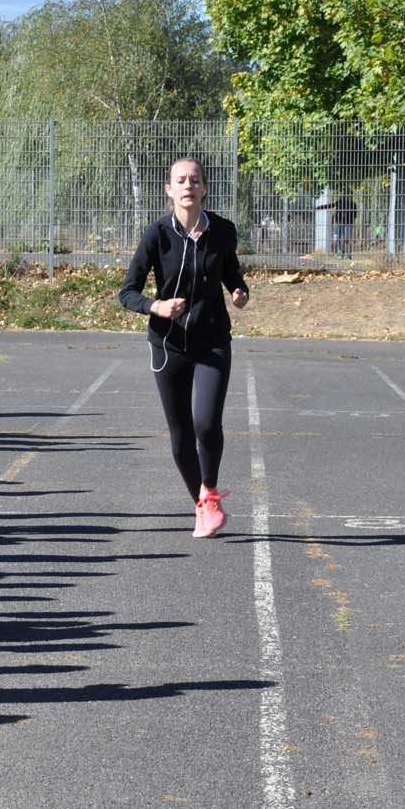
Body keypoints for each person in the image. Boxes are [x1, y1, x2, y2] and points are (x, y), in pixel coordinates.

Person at [119, 158, 249, 539]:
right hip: (168, 344)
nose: (188, 185)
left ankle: (209, 491)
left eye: (195, 180)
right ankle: (202, 503)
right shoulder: (156, 234)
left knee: (206, 424)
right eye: (181, 180)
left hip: (212, 341)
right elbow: (127, 292)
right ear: (169, 189)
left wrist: (240, 292)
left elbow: (231, 273)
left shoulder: (222, 230)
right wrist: (156, 306)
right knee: (180, 433)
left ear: (204, 188)